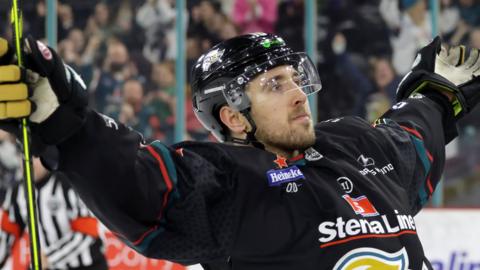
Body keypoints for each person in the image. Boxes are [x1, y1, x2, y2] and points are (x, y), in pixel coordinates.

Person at [0, 32, 479, 270]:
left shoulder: (356, 144)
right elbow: (144, 185)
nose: (297, 94)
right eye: (274, 84)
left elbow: (413, 138)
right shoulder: (228, 178)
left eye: (296, 78)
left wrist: (436, 96)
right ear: (232, 116)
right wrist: (71, 128)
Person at [0, 157, 108, 269]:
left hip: (88, 265)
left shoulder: (68, 184)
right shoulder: (17, 193)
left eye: (35, 157)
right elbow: (7, 232)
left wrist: (48, 258)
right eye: (24, 158)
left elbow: (88, 232)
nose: (30, 163)